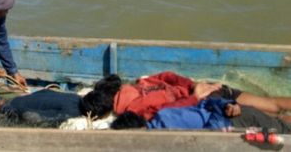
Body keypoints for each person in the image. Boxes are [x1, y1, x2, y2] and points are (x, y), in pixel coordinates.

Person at [114, 71, 291, 122]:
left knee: (276, 117)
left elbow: (166, 113)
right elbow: (168, 76)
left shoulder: (134, 108)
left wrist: (195, 92)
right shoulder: (141, 83)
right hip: (213, 94)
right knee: (272, 105)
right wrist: (195, 87)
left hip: (211, 103)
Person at [0, 74, 121, 128]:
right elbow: (30, 116)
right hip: (10, 111)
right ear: (95, 115)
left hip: (17, 100)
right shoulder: (71, 114)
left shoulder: (75, 97)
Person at [111, 98, 291, 133]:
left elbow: (212, 130)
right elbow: (205, 103)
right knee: (279, 121)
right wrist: (226, 103)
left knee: (285, 130)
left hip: (236, 119)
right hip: (234, 112)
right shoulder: (163, 114)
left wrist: (214, 133)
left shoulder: (164, 128)